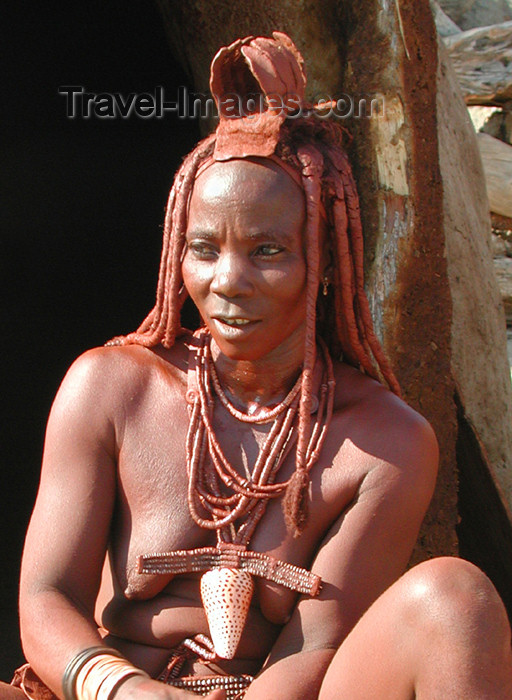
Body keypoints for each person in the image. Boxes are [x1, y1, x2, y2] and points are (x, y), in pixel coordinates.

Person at [3, 32, 512, 700]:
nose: (228, 281)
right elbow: (45, 598)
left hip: (275, 696)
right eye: (205, 249)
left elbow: (319, 647)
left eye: (269, 250)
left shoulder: (386, 443)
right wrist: (127, 691)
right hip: (113, 692)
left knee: (456, 599)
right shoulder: (110, 387)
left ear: (325, 262)